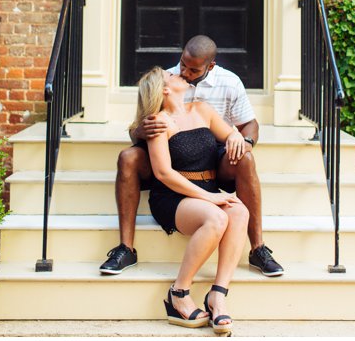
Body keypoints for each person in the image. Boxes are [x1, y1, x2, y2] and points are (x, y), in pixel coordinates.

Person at [99, 35, 283, 278]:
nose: (183, 72)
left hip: (214, 153)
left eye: (192, 69)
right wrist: (141, 130)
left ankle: (257, 249)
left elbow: (248, 125)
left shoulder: (226, 86)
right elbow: (158, 158)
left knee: (245, 162)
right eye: (181, 65)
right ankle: (126, 248)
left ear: (210, 66)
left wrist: (240, 139)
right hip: (172, 160)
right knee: (128, 157)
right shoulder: (164, 80)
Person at [133, 66, 248, 333]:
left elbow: (230, 133)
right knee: (217, 216)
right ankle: (179, 292)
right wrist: (209, 197)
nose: (179, 74)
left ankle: (217, 295)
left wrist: (236, 137)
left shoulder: (202, 109)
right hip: (173, 196)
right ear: (164, 89)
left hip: (205, 190)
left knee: (239, 212)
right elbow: (163, 173)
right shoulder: (158, 122)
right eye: (170, 75)